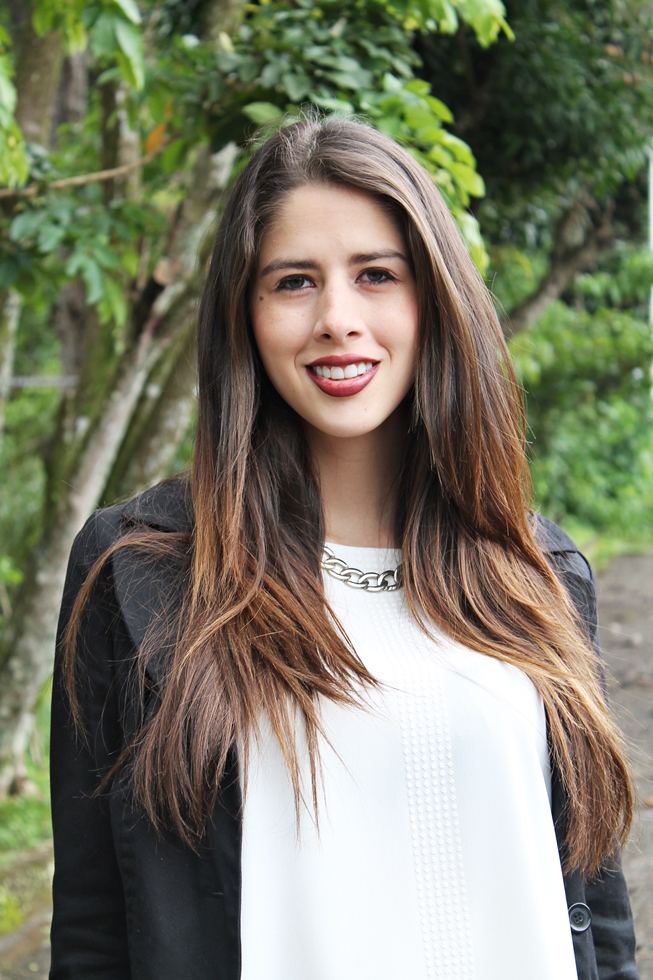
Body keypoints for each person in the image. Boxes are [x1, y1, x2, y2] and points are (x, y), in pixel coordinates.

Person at [50, 117, 638, 980]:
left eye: (376, 275)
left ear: (433, 298)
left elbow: (596, 905)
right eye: (293, 281)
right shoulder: (142, 574)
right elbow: (95, 928)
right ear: (243, 314)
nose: (337, 319)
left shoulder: (535, 573)